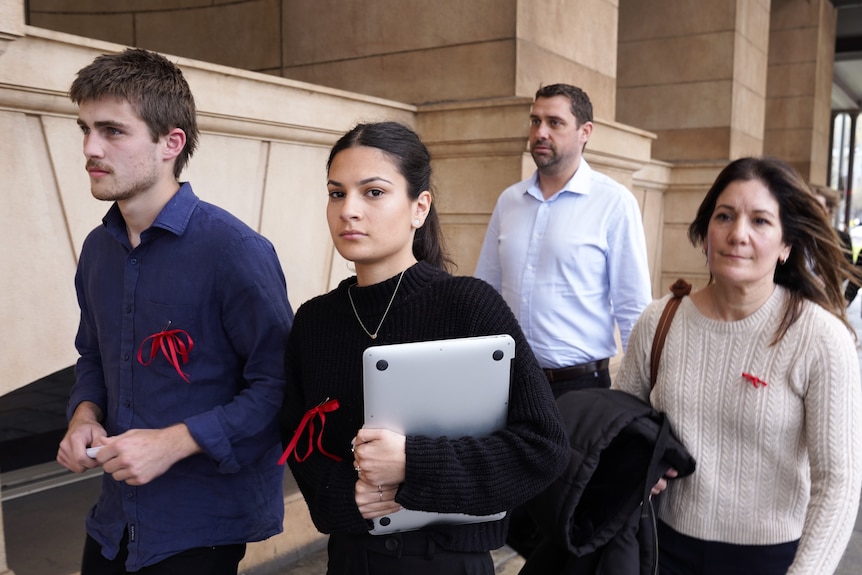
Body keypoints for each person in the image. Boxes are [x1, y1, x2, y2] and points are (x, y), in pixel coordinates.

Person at [278, 121, 569, 575]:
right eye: (337, 193)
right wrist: (344, 494)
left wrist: (414, 463)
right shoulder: (315, 320)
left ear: (419, 207)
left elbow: (543, 447)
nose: (348, 210)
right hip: (351, 559)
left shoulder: (468, 305)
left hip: (450, 562)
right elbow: (297, 438)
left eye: (373, 192)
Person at [56, 48, 294, 574]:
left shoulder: (235, 251)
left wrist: (174, 442)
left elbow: (280, 388)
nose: (90, 148)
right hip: (113, 524)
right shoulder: (98, 250)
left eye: (113, 131)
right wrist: (84, 415)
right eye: (85, 129)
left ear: (172, 142)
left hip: (199, 530)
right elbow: (93, 356)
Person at [613, 156, 862, 574]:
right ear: (705, 232)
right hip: (661, 547)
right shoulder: (661, 320)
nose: (737, 234)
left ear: (786, 245)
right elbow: (619, 425)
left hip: (772, 559)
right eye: (724, 216)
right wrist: (635, 464)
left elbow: (838, 482)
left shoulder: (820, 338)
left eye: (761, 221)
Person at [474, 83, 652, 396]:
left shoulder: (614, 202)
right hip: (509, 383)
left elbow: (633, 307)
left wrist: (638, 395)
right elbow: (485, 290)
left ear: (585, 131)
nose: (540, 132)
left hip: (582, 388)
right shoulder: (509, 200)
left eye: (555, 123)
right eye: (535, 121)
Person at [811, 184, 861, 306]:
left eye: (818, 205)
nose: (812, 208)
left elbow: (847, 268)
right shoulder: (796, 234)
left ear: (828, 209)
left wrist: (826, 278)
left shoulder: (841, 238)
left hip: (826, 301)